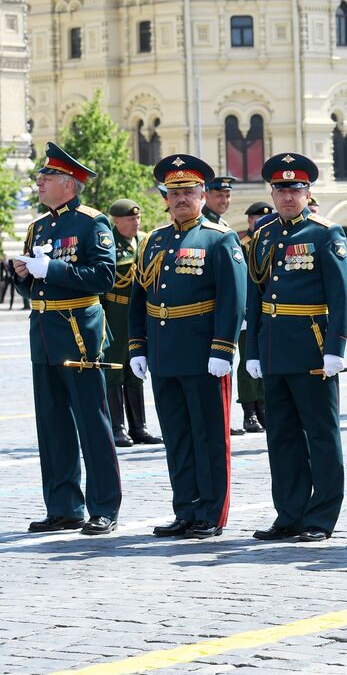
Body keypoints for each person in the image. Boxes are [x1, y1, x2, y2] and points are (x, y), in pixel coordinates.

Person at [128, 154, 247, 539]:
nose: (181, 198)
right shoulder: (154, 241)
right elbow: (138, 298)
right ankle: (185, 509)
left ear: (202, 196)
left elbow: (233, 298)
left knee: (208, 436)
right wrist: (137, 346)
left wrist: (223, 348)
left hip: (202, 354)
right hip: (164, 354)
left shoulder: (218, 238)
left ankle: (210, 512)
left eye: (189, 192)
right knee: (177, 436)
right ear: (165, 198)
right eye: (174, 192)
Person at [244, 153, 347, 542]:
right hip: (274, 347)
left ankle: (321, 516)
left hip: (312, 347)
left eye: (295, 189)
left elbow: (341, 295)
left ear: (308, 192)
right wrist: (252, 350)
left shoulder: (326, 234)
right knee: (282, 435)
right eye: (280, 190)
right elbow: (255, 296)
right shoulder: (264, 235)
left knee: (320, 434)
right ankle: (289, 514)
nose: (288, 197)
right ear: (272, 193)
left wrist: (335, 348)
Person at [12, 144, 121, 536]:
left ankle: (103, 506)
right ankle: (63, 506)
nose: (40, 182)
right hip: (44, 334)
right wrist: (25, 276)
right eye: (41, 176)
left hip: (78, 334)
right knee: (52, 425)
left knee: (92, 424)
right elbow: (35, 290)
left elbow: (103, 276)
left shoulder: (92, 223)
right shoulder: (38, 227)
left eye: (48, 177)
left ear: (69, 184)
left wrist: (52, 269)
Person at [104, 198, 161, 447]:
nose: (136, 222)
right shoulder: (107, 243)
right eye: (130, 219)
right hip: (115, 312)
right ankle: (117, 427)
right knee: (115, 367)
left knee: (136, 367)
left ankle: (139, 427)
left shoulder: (145, 241)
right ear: (116, 221)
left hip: (139, 312)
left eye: (138, 218)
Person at [235, 201, 274, 434]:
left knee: (267, 358)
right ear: (249, 221)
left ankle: (264, 406)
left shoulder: (272, 241)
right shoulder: (243, 246)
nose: (261, 223)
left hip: (269, 310)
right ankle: (249, 410)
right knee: (248, 360)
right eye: (257, 219)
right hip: (249, 311)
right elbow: (240, 281)